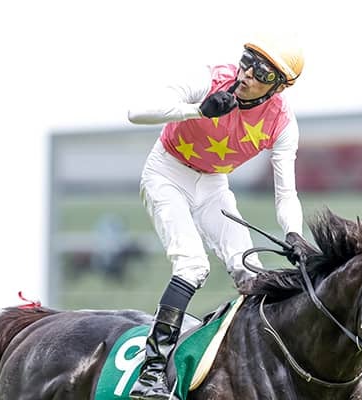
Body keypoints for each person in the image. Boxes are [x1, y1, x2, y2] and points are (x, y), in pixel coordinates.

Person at [127, 33, 306, 400]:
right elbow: (136, 111)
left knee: (251, 272)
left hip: (212, 184)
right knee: (192, 266)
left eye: (263, 73)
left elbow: (286, 192)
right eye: (248, 61)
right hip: (166, 173)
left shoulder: (282, 122)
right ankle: (152, 372)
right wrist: (198, 110)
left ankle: (263, 367)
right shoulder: (212, 78)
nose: (248, 74)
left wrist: (294, 234)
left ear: (278, 87)